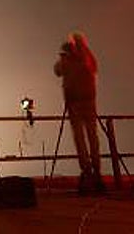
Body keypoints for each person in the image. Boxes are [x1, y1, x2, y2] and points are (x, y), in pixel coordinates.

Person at [54, 32, 104, 194]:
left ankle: (87, 171)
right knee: (92, 138)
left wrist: (63, 57)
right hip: (89, 103)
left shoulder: (68, 60)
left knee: (80, 139)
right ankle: (97, 171)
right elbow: (94, 68)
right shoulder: (88, 58)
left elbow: (57, 71)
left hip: (75, 104)